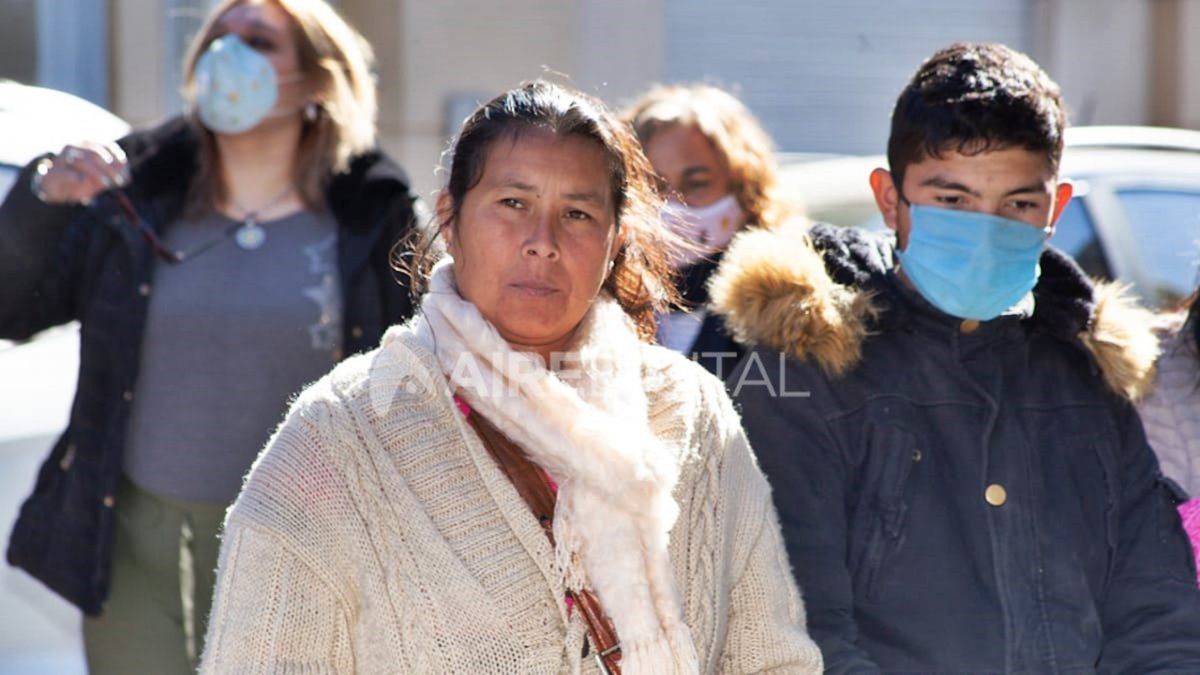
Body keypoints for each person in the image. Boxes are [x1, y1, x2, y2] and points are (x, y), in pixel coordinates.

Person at [199, 81, 823, 674]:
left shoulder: (689, 413)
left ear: (615, 240)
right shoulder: (344, 432)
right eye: (512, 204)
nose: (542, 242)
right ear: (450, 218)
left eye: (577, 213)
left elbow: (768, 654)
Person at [710, 42, 1200, 672]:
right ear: (890, 199)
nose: (985, 230)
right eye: (952, 201)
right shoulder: (801, 374)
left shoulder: (1084, 374)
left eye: (1018, 206)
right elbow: (795, 632)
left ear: (1056, 207)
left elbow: (1156, 618)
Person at [0, 0, 420, 672]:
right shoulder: (135, 191)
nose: (230, 52)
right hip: (139, 540)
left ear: (315, 80)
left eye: (258, 40)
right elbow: (11, 308)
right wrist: (43, 199)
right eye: (219, 37)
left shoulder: (373, 211)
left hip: (303, 538)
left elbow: (414, 374)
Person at [623, 84, 792, 377]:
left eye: (697, 183)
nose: (672, 204)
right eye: (654, 186)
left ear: (746, 190)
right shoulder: (593, 305)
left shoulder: (786, 313)